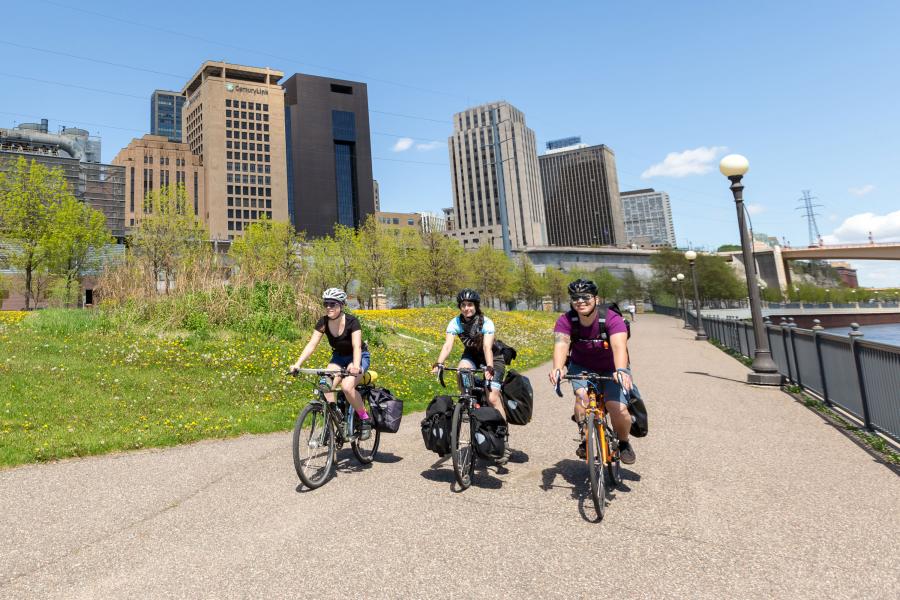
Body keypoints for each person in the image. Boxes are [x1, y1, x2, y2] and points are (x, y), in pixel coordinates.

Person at [548, 279, 637, 464]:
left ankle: (624, 442)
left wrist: (621, 370)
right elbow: (561, 343)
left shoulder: (612, 318)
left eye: (585, 297)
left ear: (596, 299)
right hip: (582, 366)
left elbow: (619, 346)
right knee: (583, 398)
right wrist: (557, 368)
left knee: (616, 408)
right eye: (575, 298)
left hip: (612, 367)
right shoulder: (566, 320)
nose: (580, 301)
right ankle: (585, 437)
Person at [432, 288, 510, 463]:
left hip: (493, 358)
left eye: (470, 305)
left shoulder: (486, 322)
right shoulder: (455, 323)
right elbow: (447, 346)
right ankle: (467, 400)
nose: (467, 308)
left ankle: (502, 436)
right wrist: (439, 363)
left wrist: (489, 367)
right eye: (463, 305)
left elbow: (487, 348)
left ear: (476, 306)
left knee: (492, 396)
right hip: (471, 356)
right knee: (461, 369)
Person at [290, 288, 373, 440]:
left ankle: (364, 418)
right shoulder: (323, 322)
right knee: (325, 384)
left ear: (341, 305)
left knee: (347, 387)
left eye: (332, 304)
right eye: (326, 304)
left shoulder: (352, 322)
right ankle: (334, 416)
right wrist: (297, 364)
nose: (329, 307)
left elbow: (357, 347)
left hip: (358, 357)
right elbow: (311, 345)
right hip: (338, 357)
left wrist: (355, 365)